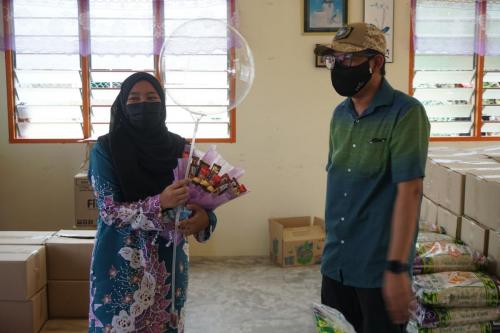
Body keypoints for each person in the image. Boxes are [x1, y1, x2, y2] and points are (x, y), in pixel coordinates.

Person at [314, 23, 430, 333]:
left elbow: (410, 192)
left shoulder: (406, 113)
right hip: (335, 264)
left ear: (376, 62)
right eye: (333, 59)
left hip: (377, 271)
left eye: (348, 59)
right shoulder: (340, 114)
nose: (339, 67)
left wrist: (397, 268)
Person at [88, 72, 217, 333]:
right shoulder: (105, 149)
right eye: (134, 99)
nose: (142, 105)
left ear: (163, 105)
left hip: (169, 267)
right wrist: (161, 201)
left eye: (151, 98)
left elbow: (202, 202)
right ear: (123, 105)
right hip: (120, 266)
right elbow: (110, 211)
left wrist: (205, 219)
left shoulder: (182, 149)